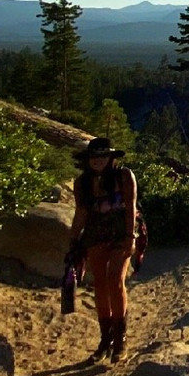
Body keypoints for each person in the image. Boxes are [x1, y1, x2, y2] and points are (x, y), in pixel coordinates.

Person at [68, 137, 137, 363]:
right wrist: (73, 239)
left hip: (120, 233)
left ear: (110, 158)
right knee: (99, 283)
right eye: (94, 157)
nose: (98, 161)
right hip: (95, 234)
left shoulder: (124, 176)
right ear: (88, 160)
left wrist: (130, 236)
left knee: (115, 278)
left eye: (103, 156)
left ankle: (120, 339)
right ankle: (104, 339)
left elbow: (131, 207)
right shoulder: (82, 183)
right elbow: (81, 213)